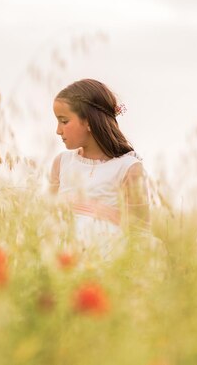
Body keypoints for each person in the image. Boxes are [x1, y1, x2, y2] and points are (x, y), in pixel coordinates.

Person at [50, 79, 151, 259]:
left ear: (88, 121)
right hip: (61, 265)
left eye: (64, 121)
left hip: (105, 266)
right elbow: (48, 218)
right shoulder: (61, 163)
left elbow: (139, 233)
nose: (58, 130)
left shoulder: (128, 168)